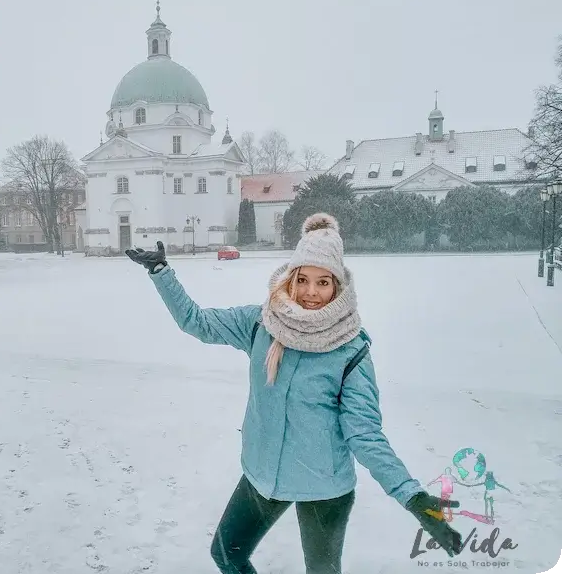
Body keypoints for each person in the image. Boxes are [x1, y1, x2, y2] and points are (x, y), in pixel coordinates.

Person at [126, 213, 462, 574]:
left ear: (338, 286)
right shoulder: (261, 324)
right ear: (291, 278)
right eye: (302, 279)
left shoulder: (350, 350)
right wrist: (161, 272)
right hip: (262, 474)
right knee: (227, 554)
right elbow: (197, 322)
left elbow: (364, 434)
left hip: (324, 488)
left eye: (322, 282)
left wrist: (413, 498)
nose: (310, 293)